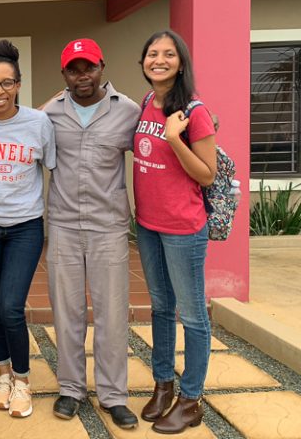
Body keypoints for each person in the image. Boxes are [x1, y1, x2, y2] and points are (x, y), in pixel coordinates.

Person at [44, 39, 139, 429]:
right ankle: (71, 389)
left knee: (112, 315)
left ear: (102, 66)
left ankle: (113, 395)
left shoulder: (129, 112)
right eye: (73, 69)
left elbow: (157, 144)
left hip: (109, 227)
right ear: (64, 74)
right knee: (67, 314)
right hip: (63, 226)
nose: (82, 76)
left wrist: (203, 122)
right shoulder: (49, 114)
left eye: (89, 68)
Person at [0, 39, 56, 418]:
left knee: (11, 306)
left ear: (18, 83)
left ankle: (22, 380)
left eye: (6, 83)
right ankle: (2, 374)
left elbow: (52, 166)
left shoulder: (38, 122)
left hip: (24, 226)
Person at [133, 30, 216, 434]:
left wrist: (174, 139)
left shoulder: (194, 111)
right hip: (147, 224)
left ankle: (190, 398)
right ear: (144, 62)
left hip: (183, 228)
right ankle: (163, 385)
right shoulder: (148, 102)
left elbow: (207, 173)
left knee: (193, 315)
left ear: (181, 62)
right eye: (153, 54)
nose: (159, 60)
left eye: (168, 54)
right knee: (161, 307)